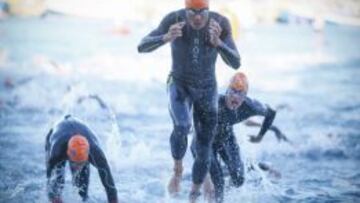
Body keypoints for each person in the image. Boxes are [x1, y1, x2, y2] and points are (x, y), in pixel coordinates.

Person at [137, 0, 241, 201]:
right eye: (192, 12)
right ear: (185, 10)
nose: (197, 17)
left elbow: (236, 62)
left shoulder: (220, 23)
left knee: (204, 149)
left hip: (207, 88)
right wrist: (165, 37)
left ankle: (193, 196)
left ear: (208, 10)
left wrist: (219, 43)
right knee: (183, 126)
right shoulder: (173, 19)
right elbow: (142, 46)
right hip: (179, 84)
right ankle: (177, 170)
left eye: (202, 12)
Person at [192, 72, 287, 202]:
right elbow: (194, 107)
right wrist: (206, 177)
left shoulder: (249, 106)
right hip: (204, 141)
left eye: (240, 94)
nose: (235, 96)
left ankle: (223, 190)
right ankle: (216, 191)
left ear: (245, 96)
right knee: (218, 181)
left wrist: (260, 136)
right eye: (233, 91)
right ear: (227, 91)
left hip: (226, 137)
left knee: (239, 179)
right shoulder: (214, 103)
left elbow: (271, 113)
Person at [45, 115, 118, 203]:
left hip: (85, 138)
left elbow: (109, 185)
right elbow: (50, 178)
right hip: (56, 134)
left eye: (80, 163)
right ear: (67, 153)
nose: (77, 167)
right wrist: (53, 197)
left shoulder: (96, 154)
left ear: (87, 156)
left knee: (82, 192)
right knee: (58, 180)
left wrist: (113, 200)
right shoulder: (56, 151)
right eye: (74, 163)